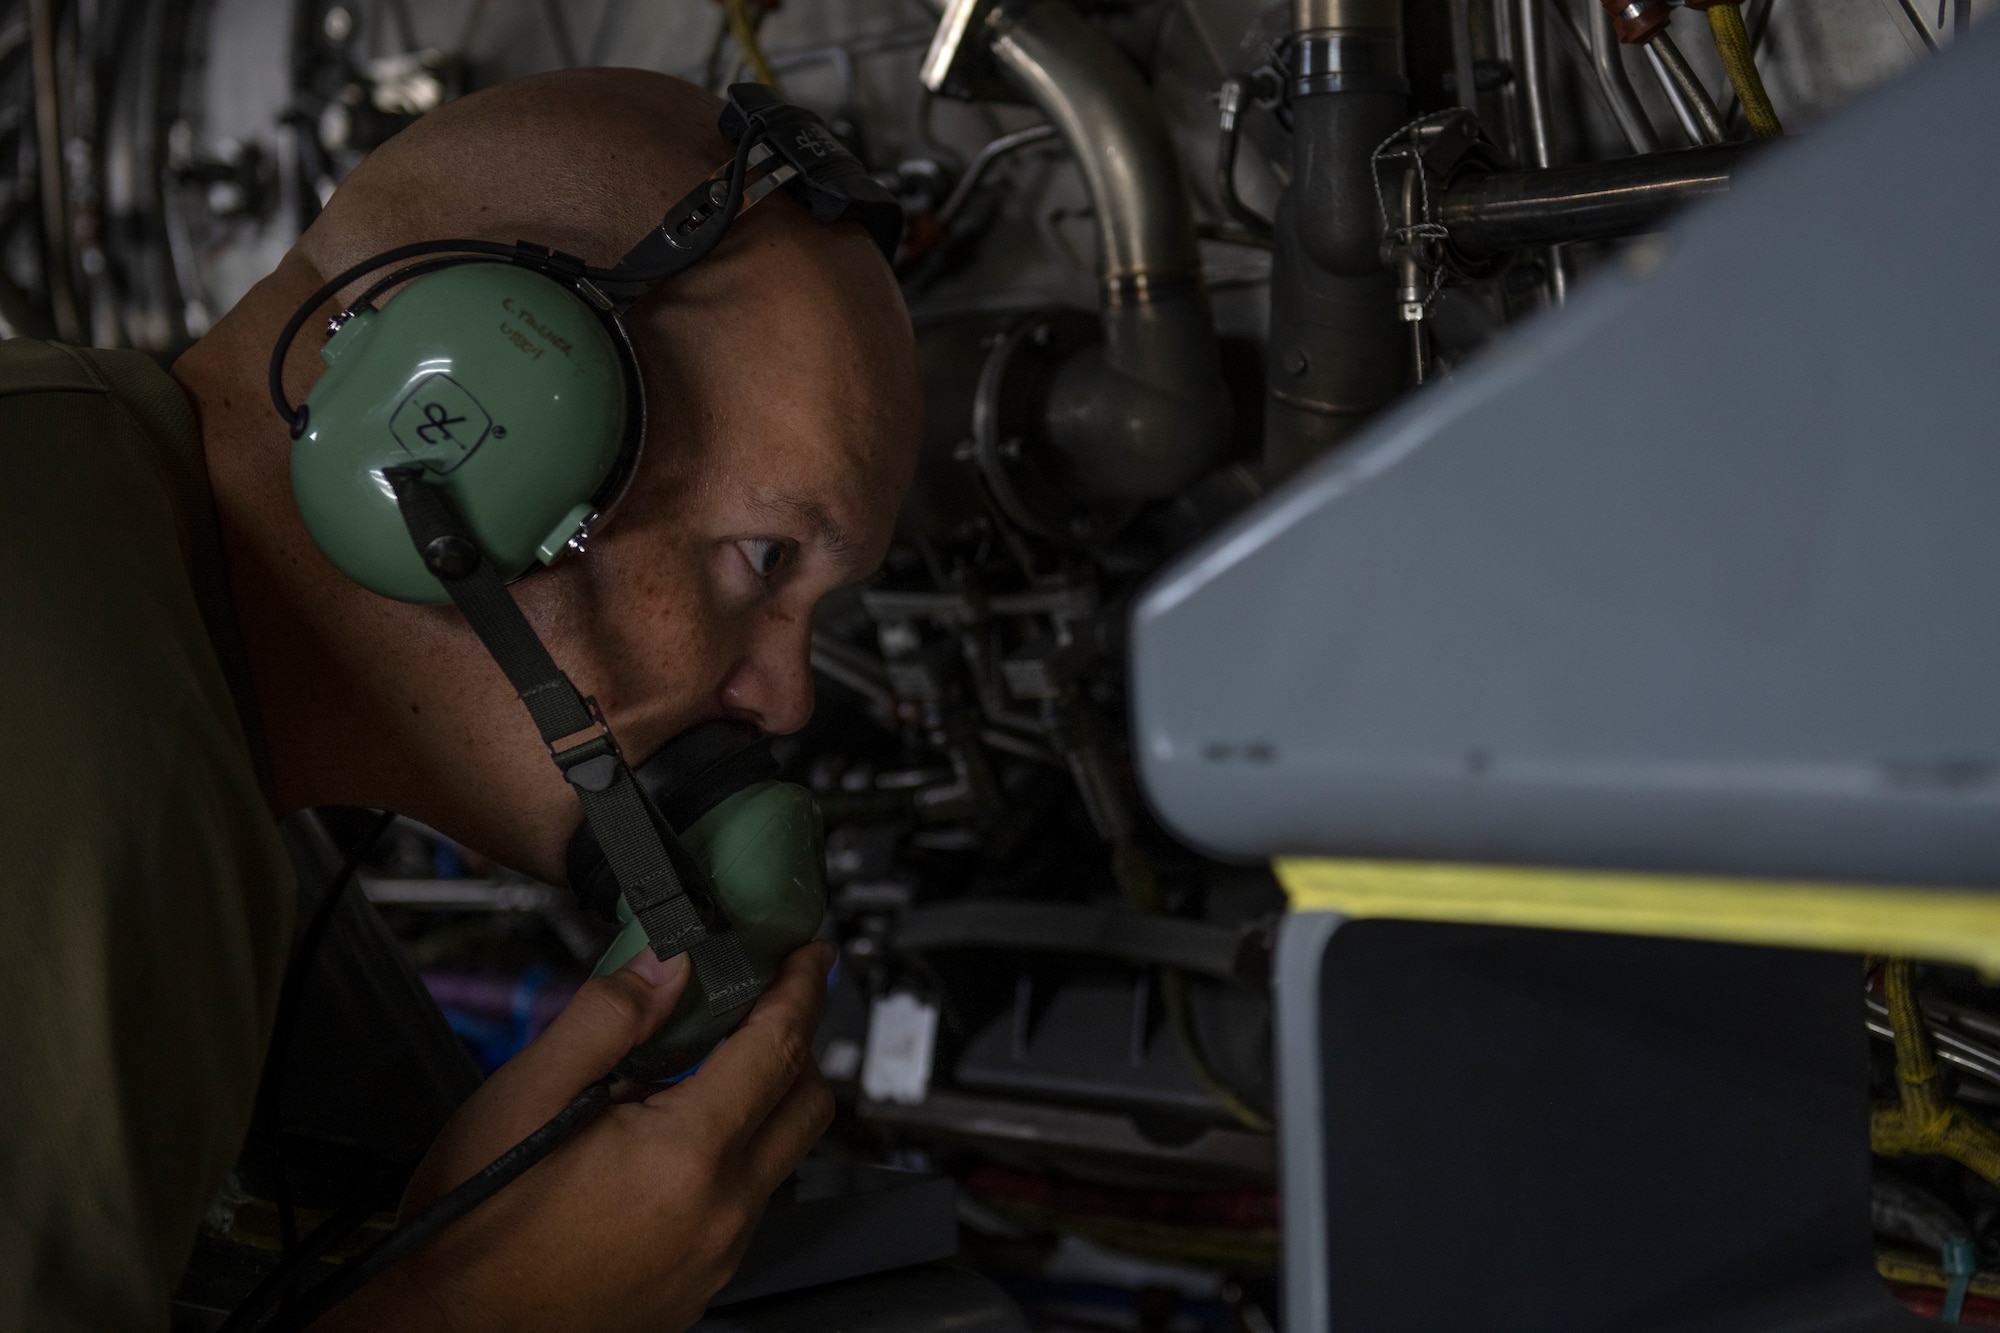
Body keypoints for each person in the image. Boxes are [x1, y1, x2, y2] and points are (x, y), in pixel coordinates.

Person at [0, 66, 921, 1331]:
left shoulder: (90, 522)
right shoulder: (99, 783)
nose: (785, 696)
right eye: (762, 558)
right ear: (438, 428)